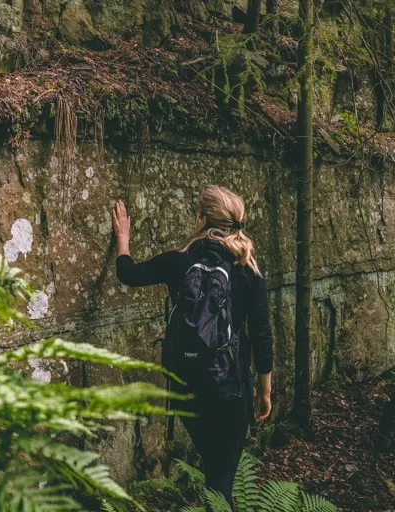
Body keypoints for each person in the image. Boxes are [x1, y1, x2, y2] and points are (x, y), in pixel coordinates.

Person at [111, 185, 274, 507]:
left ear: (201, 219)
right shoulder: (248, 271)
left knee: (213, 467)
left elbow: (128, 274)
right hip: (231, 385)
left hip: (185, 381)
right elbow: (261, 334)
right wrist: (265, 391)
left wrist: (123, 236)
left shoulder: (179, 261)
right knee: (220, 482)